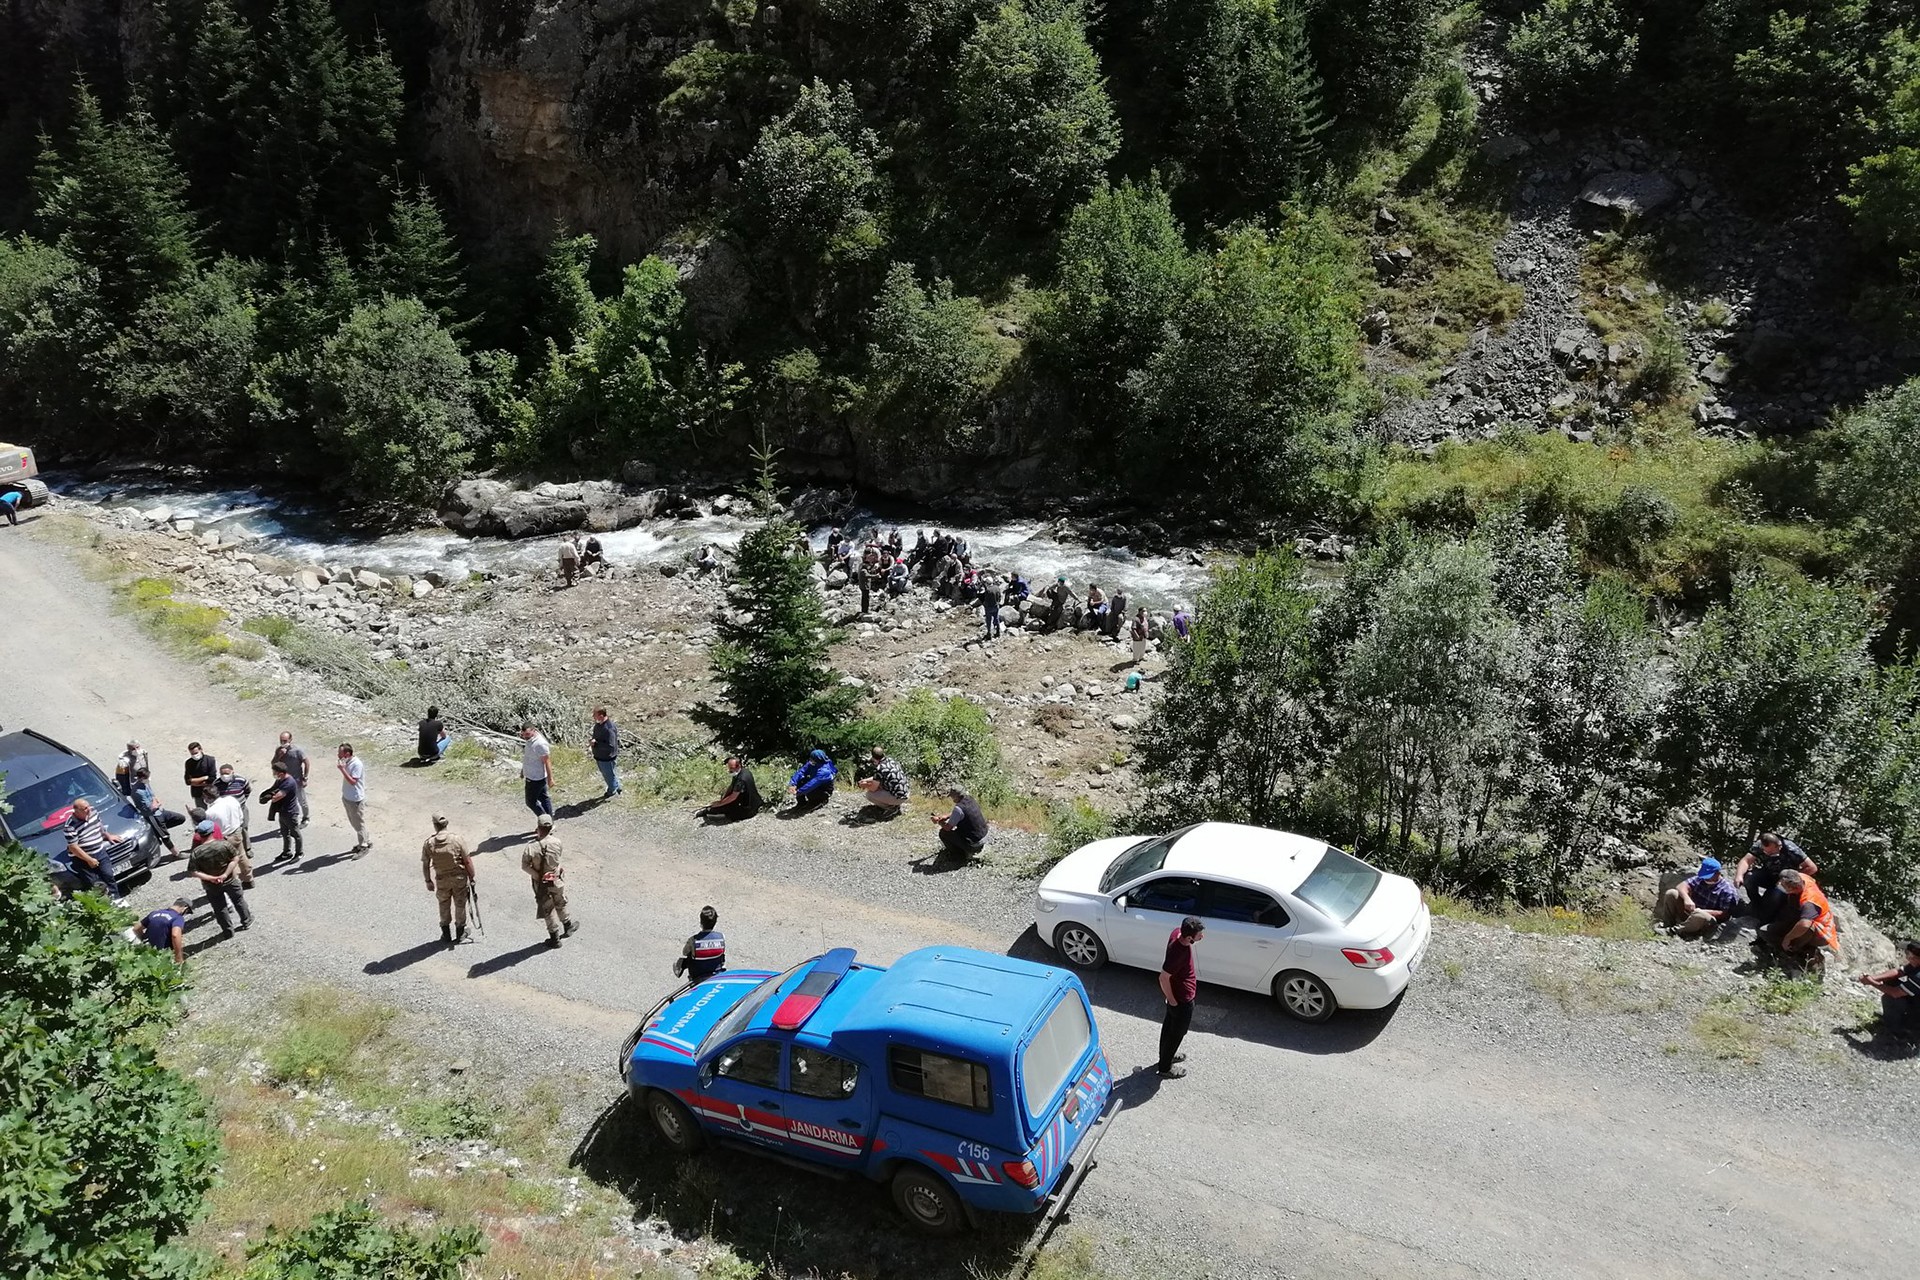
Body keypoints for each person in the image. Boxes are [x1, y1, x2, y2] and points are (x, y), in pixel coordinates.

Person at [1753, 868, 1838, 964]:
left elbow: (1805, 924)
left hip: (1821, 932)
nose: (1780, 885)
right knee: (1764, 931)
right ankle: (1793, 946)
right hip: (1804, 919)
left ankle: (1805, 954)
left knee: (1805, 929)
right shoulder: (1801, 877)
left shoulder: (1809, 902)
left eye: (1784, 886)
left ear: (1795, 888)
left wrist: (1787, 938)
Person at [1735, 833, 1817, 927]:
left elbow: (1812, 867)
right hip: (1768, 874)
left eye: (1772, 852)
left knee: (1775, 895)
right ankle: (1756, 905)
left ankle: (1765, 921)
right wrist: (1739, 876)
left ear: (1779, 846)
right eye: (1767, 852)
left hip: (1785, 880)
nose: (1770, 854)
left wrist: (1792, 877)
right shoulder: (1759, 845)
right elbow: (1746, 860)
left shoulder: (1791, 848)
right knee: (1749, 878)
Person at [1157, 916, 1205, 1079]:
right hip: (1181, 1001)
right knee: (1176, 1034)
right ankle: (1165, 1067)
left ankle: (1166, 1056)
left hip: (1177, 997)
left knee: (1169, 1029)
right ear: (1190, 938)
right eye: (1199, 935)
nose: (1202, 937)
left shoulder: (1177, 932)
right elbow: (1163, 977)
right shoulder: (1179, 952)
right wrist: (1172, 1000)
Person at [521, 814, 576, 948]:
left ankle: (554, 938)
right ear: (551, 827)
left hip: (540, 884)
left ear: (538, 828)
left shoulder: (530, 847)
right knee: (560, 901)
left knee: (548, 909)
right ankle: (568, 925)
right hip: (556, 879)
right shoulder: (557, 842)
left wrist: (538, 877)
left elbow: (525, 866)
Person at [422, 814, 476, 947]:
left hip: (441, 879)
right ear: (447, 824)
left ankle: (446, 933)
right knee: (460, 904)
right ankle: (460, 932)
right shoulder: (457, 840)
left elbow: (425, 863)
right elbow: (467, 860)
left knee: (443, 904)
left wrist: (428, 880)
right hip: (459, 878)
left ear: (435, 826)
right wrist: (472, 876)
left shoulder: (429, 843)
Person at [59, 798, 127, 904]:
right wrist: (89, 860)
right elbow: (74, 847)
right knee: (95, 883)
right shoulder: (70, 826)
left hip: (100, 851)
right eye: (85, 808)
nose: (88, 809)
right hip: (83, 858)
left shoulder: (93, 812)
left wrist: (108, 836)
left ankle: (116, 899)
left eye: (88, 806)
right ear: (77, 811)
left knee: (108, 875)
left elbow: (99, 825)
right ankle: (105, 904)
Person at [189, 824, 252, 938]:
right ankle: (246, 921)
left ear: (199, 835)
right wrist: (225, 874)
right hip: (230, 880)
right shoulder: (224, 845)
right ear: (212, 832)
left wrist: (211, 878)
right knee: (238, 900)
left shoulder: (196, 852)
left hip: (211, 886)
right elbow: (235, 858)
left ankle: (228, 931)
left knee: (220, 908)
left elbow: (193, 872)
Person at [1655, 858, 1742, 937]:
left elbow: (1725, 914)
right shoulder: (1700, 879)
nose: (1706, 879)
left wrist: (1702, 911)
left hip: (1707, 921)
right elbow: (1681, 886)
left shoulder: (1727, 890)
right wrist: (1687, 899)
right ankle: (1668, 925)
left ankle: (1673, 932)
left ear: (1718, 873)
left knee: (1700, 915)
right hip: (1691, 913)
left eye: (1709, 876)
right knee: (1672, 893)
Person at [1857, 940, 1920, 1042]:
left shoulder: (1918, 976)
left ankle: (1898, 1033)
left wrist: (1872, 982)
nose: (1905, 955)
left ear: (1913, 956)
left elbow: (1895, 993)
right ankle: (1898, 1020)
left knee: (1889, 998)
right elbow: (1898, 972)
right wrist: (1873, 977)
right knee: (1891, 981)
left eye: (1907, 953)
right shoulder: (1916, 964)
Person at [206, 774, 255, 888]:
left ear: (207, 797)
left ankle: (233, 883)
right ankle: (249, 879)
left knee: (228, 862)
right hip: (237, 833)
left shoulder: (210, 812)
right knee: (242, 856)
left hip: (223, 838)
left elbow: (211, 829)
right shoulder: (231, 800)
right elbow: (241, 816)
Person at [130, 768, 187, 854]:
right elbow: (151, 808)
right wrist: (157, 803)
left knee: (180, 818)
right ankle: (176, 854)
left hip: (160, 811)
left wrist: (156, 803)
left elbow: (153, 797)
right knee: (165, 836)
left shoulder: (146, 785)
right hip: (153, 816)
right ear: (141, 778)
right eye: (147, 777)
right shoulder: (137, 792)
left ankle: (156, 832)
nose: (149, 779)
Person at [260, 761, 303, 863]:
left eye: (275, 772)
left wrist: (270, 797)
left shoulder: (289, 783)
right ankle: (286, 852)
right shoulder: (280, 780)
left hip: (290, 812)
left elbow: (277, 797)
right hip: (283, 811)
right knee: (285, 833)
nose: (274, 774)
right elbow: (273, 789)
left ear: (281, 773)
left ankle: (299, 853)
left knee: (295, 833)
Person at [697, 757, 762, 821]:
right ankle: (710, 810)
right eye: (729, 767)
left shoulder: (741, 779)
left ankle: (712, 813)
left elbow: (733, 797)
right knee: (725, 800)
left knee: (728, 812)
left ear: (738, 766)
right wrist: (723, 798)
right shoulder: (743, 771)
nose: (730, 770)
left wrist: (719, 803)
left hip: (748, 808)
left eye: (731, 768)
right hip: (749, 800)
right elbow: (731, 787)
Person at [673, 906, 727, 981]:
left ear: (701, 922)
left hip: (697, 974)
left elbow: (684, 952)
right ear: (715, 922)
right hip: (716, 972)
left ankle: (679, 968)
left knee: (690, 955)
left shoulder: (693, 940)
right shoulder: (721, 937)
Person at [933, 787, 988, 857]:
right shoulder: (970, 799)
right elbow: (961, 813)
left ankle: (959, 855)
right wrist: (947, 816)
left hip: (974, 844)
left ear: (956, 796)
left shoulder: (958, 809)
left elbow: (948, 828)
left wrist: (938, 821)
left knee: (943, 833)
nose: (952, 798)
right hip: (983, 837)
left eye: (952, 796)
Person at [338, 743, 372, 855]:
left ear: (347, 753)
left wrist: (342, 770)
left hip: (355, 799)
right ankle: (365, 840)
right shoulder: (347, 762)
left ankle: (364, 846)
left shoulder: (356, 764)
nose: (338, 755)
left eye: (340, 753)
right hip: (348, 797)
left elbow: (353, 782)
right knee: (354, 822)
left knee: (358, 824)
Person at [272, 731, 311, 826]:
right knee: (286, 801)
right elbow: (273, 763)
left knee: (302, 800)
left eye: (285, 740)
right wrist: (279, 755)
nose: (283, 743)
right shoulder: (279, 750)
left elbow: (306, 762)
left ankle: (306, 817)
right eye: (281, 741)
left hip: (297, 780)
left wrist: (305, 778)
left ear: (290, 740)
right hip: (284, 781)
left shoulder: (297, 750)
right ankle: (290, 819)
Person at [140, 898, 192, 965]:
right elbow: (175, 935)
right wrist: (178, 958)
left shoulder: (154, 913)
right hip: (164, 955)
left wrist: (144, 938)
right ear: (185, 908)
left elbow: (136, 928)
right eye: (187, 912)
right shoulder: (177, 918)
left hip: (148, 952)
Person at [858, 746, 910, 813]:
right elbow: (877, 778)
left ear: (873, 757)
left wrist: (864, 785)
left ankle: (891, 808)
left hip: (899, 797)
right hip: (905, 792)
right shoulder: (891, 760)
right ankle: (893, 803)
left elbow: (873, 788)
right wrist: (866, 780)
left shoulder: (880, 768)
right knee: (880, 786)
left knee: (869, 795)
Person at [520, 724, 555, 820]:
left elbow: (547, 761)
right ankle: (549, 822)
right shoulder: (529, 740)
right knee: (544, 798)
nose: (525, 737)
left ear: (534, 730)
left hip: (535, 778)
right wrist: (523, 770)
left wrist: (550, 779)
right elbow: (528, 758)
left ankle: (545, 821)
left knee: (530, 802)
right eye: (523, 734)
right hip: (531, 774)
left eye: (527, 734)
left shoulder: (540, 744)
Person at [591, 707, 623, 797]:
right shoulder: (598, 725)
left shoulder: (609, 729)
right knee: (611, 773)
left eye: (595, 714)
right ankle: (617, 787)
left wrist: (596, 743)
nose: (593, 716)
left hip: (607, 757)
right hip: (599, 756)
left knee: (608, 775)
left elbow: (610, 746)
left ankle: (612, 791)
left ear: (601, 715)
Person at [183, 741, 218, 807]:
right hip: (197, 793)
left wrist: (194, 781)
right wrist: (205, 778)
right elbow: (187, 781)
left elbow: (212, 778)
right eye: (192, 754)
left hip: (211, 792)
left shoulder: (210, 760)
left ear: (201, 749)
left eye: (196, 753)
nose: (195, 755)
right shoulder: (189, 763)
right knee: (202, 813)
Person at [978, 568, 1004, 640]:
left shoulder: (988, 590)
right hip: (996, 606)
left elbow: (986, 599)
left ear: (987, 583)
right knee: (996, 619)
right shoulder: (997, 587)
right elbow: (999, 596)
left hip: (989, 607)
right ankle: (998, 632)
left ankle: (989, 633)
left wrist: (984, 604)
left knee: (989, 621)